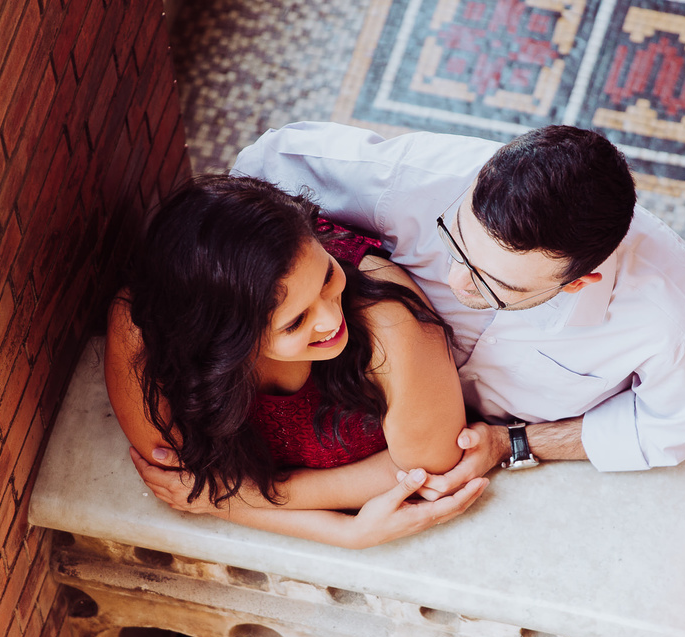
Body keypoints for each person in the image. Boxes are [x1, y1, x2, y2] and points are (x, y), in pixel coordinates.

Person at [138, 121, 685, 510]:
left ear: (582, 281)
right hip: (354, 379)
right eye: (457, 243)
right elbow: (265, 169)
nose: (454, 281)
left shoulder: (673, 318)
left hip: (472, 445)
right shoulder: (413, 179)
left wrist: (516, 443)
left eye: (491, 283)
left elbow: (670, 427)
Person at [105, 175, 488, 549]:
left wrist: (233, 498)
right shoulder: (142, 329)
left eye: (325, 276)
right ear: (224, 342)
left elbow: (430, 465)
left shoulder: (388, 320)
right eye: (295, 322)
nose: (330, 319)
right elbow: (177, 475)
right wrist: (341, 532)